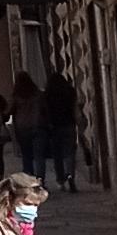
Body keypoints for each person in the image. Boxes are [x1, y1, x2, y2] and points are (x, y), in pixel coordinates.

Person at [41, 65, 81, 196]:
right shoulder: (70, 91)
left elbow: (45, 111)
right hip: (69, 125)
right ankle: (71, 176)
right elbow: (75, 108)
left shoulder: (47, 94)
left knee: (57, 155)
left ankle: (61, 179)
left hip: (54, 127)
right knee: (70, 153)